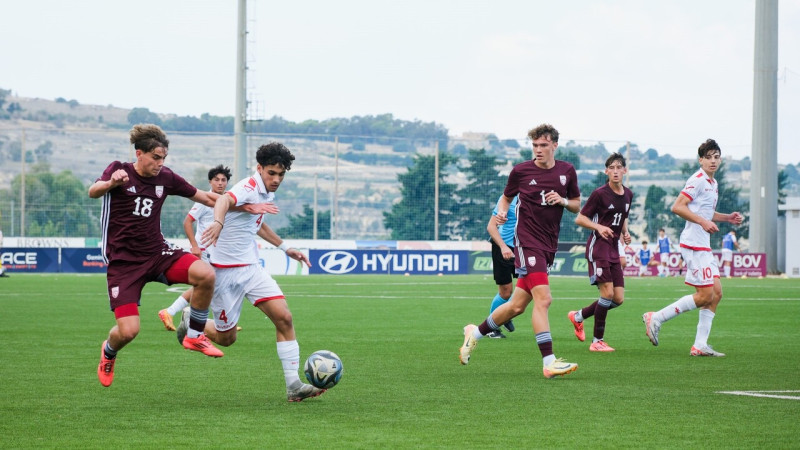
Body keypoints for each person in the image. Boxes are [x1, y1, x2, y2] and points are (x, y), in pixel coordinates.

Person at [90, 124, 229, 387]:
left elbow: (207, 198)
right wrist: (111, 182)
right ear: (139, 153)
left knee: (206, 274)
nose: (160, 163)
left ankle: (194, 334)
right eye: (155, 157)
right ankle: (108, 352)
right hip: (124, 264)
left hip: (157, 253)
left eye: (163, 158)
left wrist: (245, 205)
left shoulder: (166, 177)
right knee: (129, 331)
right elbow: (93, 191)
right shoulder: (119, 169)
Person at [196, 142, 326, 402]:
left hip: (251, 269)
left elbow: (257, 224)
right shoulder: (247, 187)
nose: (276, 179)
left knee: (284, 318)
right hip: (222, 273)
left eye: (281, 174)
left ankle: (294, 387)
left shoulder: (267, 193)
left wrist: (285, 247)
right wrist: (219, 222)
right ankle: (192, 321)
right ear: (259, 169)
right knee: (226, 338)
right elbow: (223, 200)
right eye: (271, 173)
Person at [459, 123, 580, 379]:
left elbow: (577, 205)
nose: (538, 150)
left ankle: (475, 333)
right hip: (526, 242)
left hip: (548, 245)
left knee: (516, 307)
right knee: (544, 299)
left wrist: (563, 201)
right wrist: (503, 210)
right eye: (534, 145)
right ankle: (548, 362)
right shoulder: (521, 171)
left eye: (543, 145)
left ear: (554, 145)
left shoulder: (567, 171)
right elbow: (506, 197)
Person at [643, 139, 743, 357]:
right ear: (701, 160)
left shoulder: (713, 183)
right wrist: (702, 222)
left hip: (703, 245)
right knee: (706, 294)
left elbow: (706, 213)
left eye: (716, 156)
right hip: (693, 244)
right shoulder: (697, 180)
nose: (713, 161)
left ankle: (699, 345)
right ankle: (657, 317)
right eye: (709, 157)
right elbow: (677, 207)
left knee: (716, 294)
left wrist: (727, 218)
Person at [568, 152, 633, 352]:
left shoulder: (629, 194)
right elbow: (580, 219)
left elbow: (622, 217)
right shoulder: (599, 194)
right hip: (598, 249)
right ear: (606, 171)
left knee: (618, 298)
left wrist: (625, 232)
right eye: (611, 168)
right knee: (607, 294)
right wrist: (598, 227)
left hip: (613, 248)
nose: (615, 171)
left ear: (624, 171)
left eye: (618, 168)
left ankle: (578, 316)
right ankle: (597, 341)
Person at [158, 165, 233, 331]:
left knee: (214, 284)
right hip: (204, 249)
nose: (220, 183)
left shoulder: (226, 200)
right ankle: (217, 322)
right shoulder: (204, 201)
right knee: (211, 283)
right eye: (216, 180)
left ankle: (175, 312)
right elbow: (187, 221)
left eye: (223, 180)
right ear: (210, 182)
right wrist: (194, 246)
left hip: (216, 250)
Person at [485, 195, 519, 339]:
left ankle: (504, 314)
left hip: (525, 249)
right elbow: (491, 226)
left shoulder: (536, 196)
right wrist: (504, 246)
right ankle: (491, 328)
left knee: (529, 289)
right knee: (505, 292)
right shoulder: (507, 199)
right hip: (503, 247)